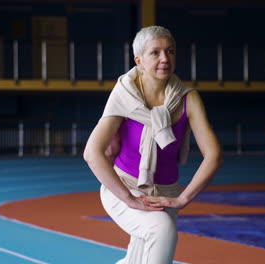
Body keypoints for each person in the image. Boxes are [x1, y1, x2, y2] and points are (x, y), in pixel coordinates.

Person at [83, 25, 223, 264]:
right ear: (138, 60)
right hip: (125, 188)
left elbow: (214, 156)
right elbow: (92, 153)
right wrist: (128, 198)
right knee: (161, 230)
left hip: (166, 194)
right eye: (155, 53)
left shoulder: (188, 98)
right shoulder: (124, 94)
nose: (164, 59)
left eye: (170, 51)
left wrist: (182, 199)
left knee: (138, 258)